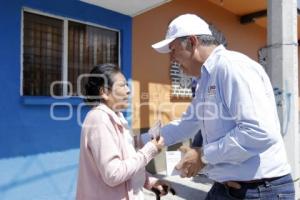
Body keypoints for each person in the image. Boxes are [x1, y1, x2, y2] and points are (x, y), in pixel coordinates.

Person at [143, 14, 295, 199]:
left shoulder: (232, 67)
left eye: (173, 50)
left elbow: (259, 131)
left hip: (260, 190)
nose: (172, 59)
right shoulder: (206, 79)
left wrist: (203, 156)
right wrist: (138, 141)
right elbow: (188, 123)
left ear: (192, 42)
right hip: (226, 188)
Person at [76, 63, 168, 200]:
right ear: (104, 92)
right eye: (122, 85)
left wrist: (148, 181)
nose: (128, 90)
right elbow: (114, 174)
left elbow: (127, 161)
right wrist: (149, 150)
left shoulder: (116, 116)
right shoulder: (99, 119)